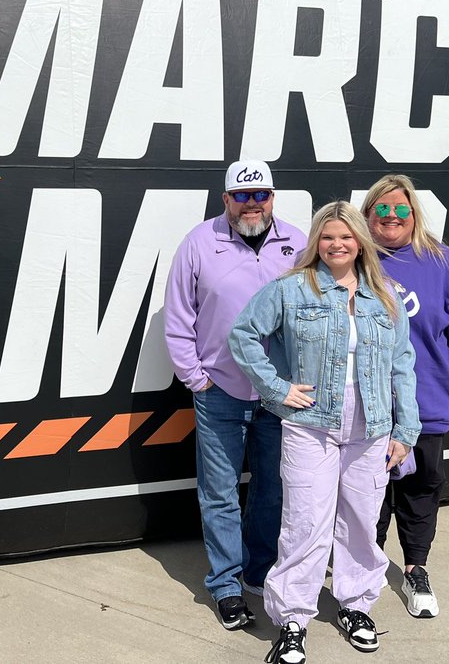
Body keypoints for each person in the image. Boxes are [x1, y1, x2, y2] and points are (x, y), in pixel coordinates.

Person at [230, 201, 420, 663]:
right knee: (304, 523)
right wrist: (277, 390)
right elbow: (243, 335)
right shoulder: (292, 289)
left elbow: (403, 366)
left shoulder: (386, 296)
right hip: (311, 425)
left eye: (347, 236)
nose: (338, 244)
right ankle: (293, 620)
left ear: (361, 242)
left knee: (360, 519)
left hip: (371, 424)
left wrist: (406, 429)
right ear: (318, 241)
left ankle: (356, 605)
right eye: (329, 237)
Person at [164, 160, 307, 631]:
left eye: (261, 194)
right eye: (242, 196)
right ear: (225, 199)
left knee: (273, 489)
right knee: (220, 492)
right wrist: (197, 378)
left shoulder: (298, 243)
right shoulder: (198, 243)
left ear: (273, 197)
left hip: (279, 393)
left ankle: (258, 571)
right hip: (220, 390)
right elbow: (180, 316)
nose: (252, 203)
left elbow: (315, 309)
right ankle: (225, 584)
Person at [363, 174, 449, 619]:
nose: (392, 217)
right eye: (382, 209)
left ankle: (416, 569)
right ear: (368, 215)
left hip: (428, 399)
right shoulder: (354, 257)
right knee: (368, 490)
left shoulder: (441, 262)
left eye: (401, 210)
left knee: (420, 488)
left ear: (414, 215)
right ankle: (366, 568)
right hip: (369, 405)